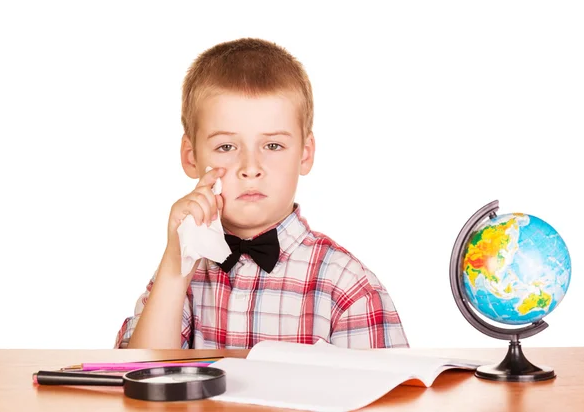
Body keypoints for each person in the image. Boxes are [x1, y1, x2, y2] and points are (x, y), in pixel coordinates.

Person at [115, 37, 408, 350]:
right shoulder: (182, 276)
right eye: (226, 147)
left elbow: (390, 396)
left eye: (272, 146)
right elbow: (135, 381)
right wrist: (175, 271)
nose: (250, 167)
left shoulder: (348, 287)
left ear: (305, 154)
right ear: (191, 156)